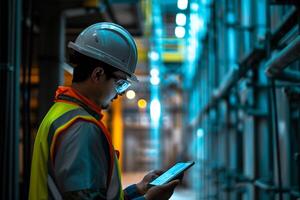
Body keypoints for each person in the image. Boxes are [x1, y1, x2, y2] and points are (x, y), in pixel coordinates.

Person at [29, 22, 180, 200]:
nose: (120, 93)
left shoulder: (60, 112)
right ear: (98, 74)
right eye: (120, 83)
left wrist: (138, 190)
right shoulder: (81, 127)